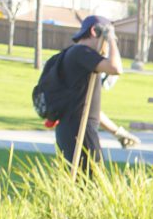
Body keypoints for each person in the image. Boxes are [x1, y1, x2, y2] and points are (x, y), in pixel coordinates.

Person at [53, 15, 133, 170]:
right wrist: (111, 39)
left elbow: (88, 108)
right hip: (80, 133)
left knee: (81, 186)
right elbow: (116, 68)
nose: (107, 50)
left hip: (71, 129)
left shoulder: (78, 58)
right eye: (106, 44)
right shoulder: (82, 53)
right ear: (94, 32)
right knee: (94, 185)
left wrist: (117, 132)